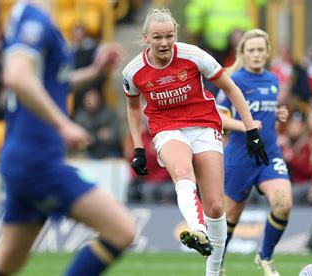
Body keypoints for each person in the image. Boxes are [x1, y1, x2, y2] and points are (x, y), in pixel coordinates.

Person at [0, 1, 136, 275]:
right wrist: (63, 124)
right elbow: (17, 75)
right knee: (121, 230)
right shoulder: (34, 19)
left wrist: (94, 72)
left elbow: (49, 83)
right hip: (37, 162)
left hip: (23, 158)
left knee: (7, 262)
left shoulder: (32, 19)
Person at [122, 9, 267, 276]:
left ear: (176, 34)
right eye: (157, 37)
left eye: (169, 36)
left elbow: (230, 88)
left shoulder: (193, 56)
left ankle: (213, 271)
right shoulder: (133, 72)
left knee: (214, 205)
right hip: (167, 129)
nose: (164, 43)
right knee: (183, 171)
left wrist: (251, 131)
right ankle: (197, 229)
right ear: (145, 38)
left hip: (204, 125)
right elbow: (133, 108)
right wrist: (138, 148)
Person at [216, 29, 292, 276]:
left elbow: (264, 113)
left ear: (268, 52)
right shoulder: (233, 80)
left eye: (261, 50)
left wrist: (277, 114)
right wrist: (245, 126)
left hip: (269, 155)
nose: (257, 54)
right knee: (231, 217)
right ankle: (217, 264)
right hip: (240, 158)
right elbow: (219, 115)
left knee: (283, 204)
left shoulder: (273, 80)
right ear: (243, 54)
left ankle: (265, 258)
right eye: (252, 50)